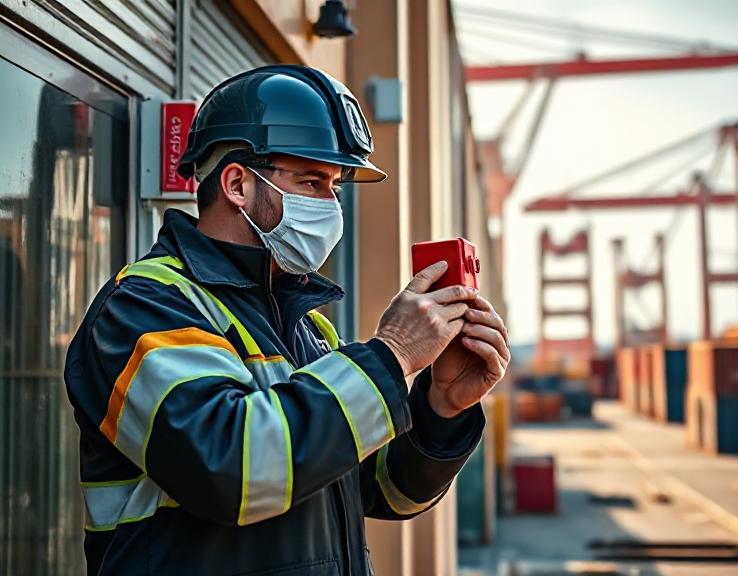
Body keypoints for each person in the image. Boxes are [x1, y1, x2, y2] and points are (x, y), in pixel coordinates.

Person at [64, 64, 509, 576]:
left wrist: (441, 405)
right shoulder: (145, 306)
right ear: (237, 184)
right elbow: (229, 466)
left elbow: (381, 490)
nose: (331, 205)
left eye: (335, 186)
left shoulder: (306, 329)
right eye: (312, 181)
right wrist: (393, 355)